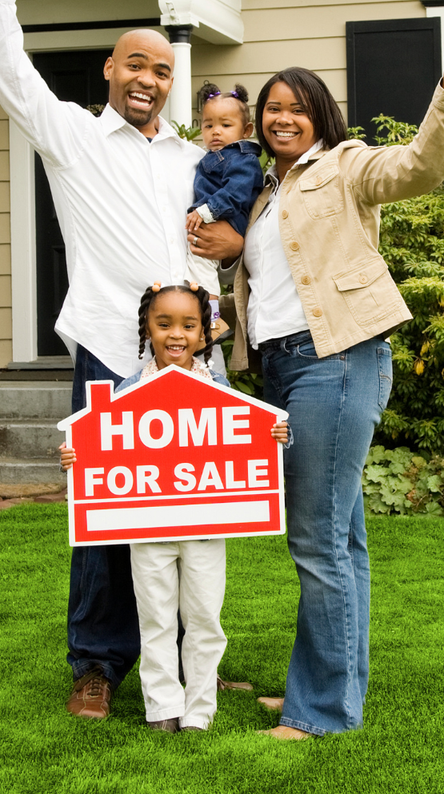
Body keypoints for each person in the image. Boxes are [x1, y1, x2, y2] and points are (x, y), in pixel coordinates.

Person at [0, 0, 247, 721]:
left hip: (197, 358)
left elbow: (214, 248)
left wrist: (220, 310)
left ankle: (193, 662)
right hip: (109, 350)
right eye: (136, 63)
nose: (149, 79)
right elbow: (5, 61)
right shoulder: (70, 137)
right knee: (107, 514)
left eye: (162, 69)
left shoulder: (196, 157)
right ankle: (98, 661)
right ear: (109, 68)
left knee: (198, 514)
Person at [230, 27, 444, 740]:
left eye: (296, 107)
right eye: (271, 108)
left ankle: (323, 708)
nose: (281, 117)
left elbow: (418, 168)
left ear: (320, 115)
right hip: (282, 366)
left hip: (336, 357)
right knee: (341, 538)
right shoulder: (263, 193)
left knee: (316, 540)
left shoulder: (345, 165)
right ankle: (331, 681)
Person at [61, 282, 290, 733]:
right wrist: (76, 456)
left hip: (206, 531)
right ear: (147, 330)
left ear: (205, 334)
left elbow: (249, 445)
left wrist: (275, 439)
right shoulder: (127, 392)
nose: (176, 335)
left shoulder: (222, 392)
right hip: (147, 532)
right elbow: (100, 448)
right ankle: (161, 708)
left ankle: (200, 711)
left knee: (205, 619)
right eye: (163, 324)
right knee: (156, 620)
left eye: (188, 325)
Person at [184, 83, 265, 339]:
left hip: (228, 221)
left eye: (225, 125)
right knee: (196, 268)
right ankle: (205, 317)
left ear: (246, 130)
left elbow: (236, 193)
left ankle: (214, 321)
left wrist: (205, 212)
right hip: (216, 218)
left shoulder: (242, 159)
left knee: (201, 265)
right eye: (208, 125)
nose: (215, 131)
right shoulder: (212, 156)